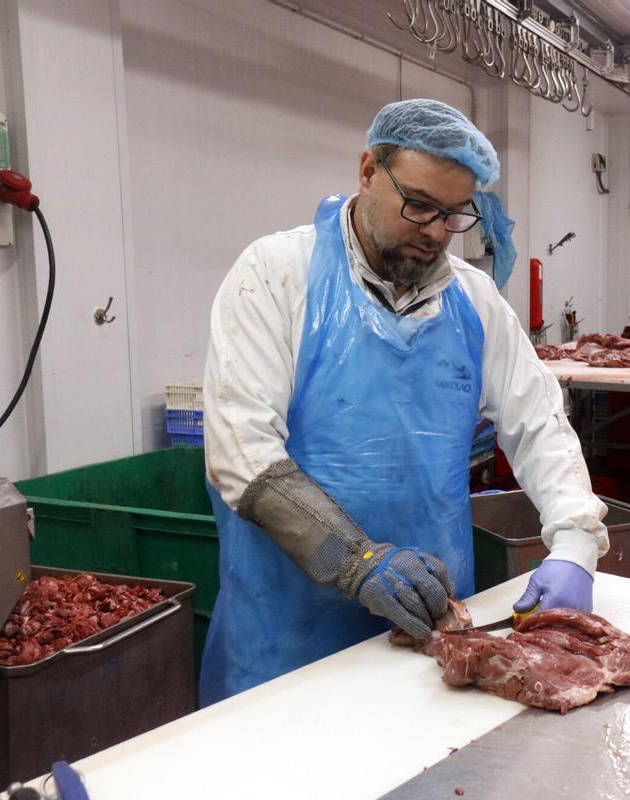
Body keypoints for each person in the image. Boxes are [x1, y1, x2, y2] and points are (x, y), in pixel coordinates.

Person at [199, 99, 609, 705]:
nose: (435, 232)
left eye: (453, 215)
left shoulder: (473, 300)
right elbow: (242, 454)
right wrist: (357, 561)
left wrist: (575, 542)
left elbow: (537, 422)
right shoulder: (278, 274)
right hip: (288, 641)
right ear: (368, 171)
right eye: (418, 205)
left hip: (433, 639)